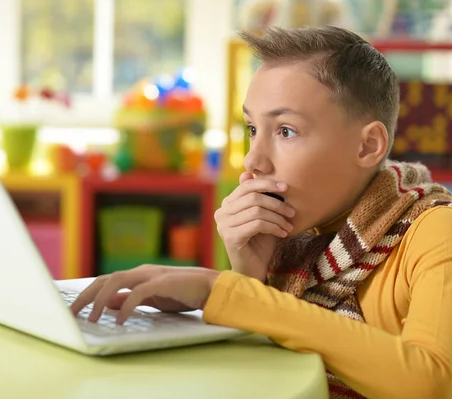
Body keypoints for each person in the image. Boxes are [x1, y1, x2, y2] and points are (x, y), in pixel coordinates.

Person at [70, 26, 452, 399]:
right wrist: (251, 274)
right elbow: (267, 379)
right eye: (253, 128)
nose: (253, 159)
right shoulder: (296, 242)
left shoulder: (437, 230)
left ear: (368, 146)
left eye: (286, 131)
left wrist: (226, 292)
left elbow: (432, 383)